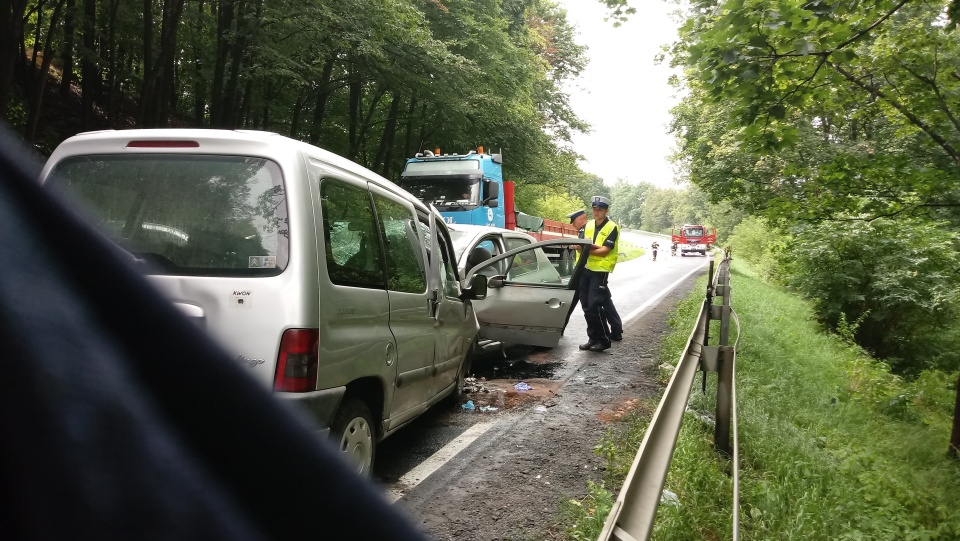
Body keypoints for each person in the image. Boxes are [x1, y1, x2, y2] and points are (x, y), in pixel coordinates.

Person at [578, 196, 622, 352]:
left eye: (600, 209)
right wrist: (589, 248)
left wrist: (588, 249)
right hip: (586, 269)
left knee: (594, 305)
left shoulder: (612, 227)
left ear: (606, 210)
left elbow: (604, 252)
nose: (596, 212)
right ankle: (593, 338)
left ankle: (604, 339)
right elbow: (579, 246)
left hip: (600, 271)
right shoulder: (588, 225)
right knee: (586, 307)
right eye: (594, 209)